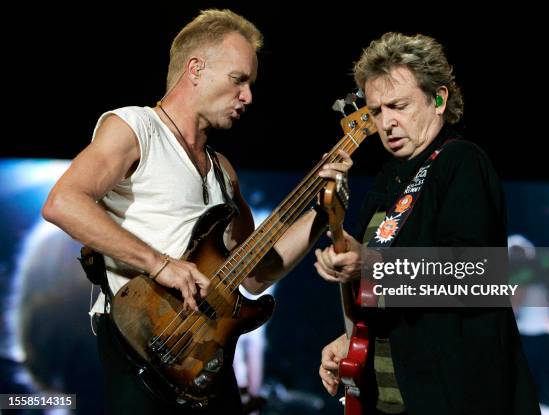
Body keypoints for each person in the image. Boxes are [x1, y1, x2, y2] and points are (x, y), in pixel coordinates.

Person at [42, 9, 350, 414]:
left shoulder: (224, 171)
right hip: (141, 351)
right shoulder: (136, 127)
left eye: (251, 84)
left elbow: (256, 274)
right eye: (238, 80)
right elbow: (63, 202)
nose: (248, 97)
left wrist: (323, 212)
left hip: (207, 361)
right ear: (196, 69)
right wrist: (159, 263)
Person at [314, 33, 541, 414]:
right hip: (388, 400)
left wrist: (368, 263)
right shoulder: (389, 179)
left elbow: (475, 274)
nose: (386, 123)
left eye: (398, 106)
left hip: (454, 396)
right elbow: (390, 295)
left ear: (438, 99)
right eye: (376, 111)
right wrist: (352, 339)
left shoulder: (461, 163)